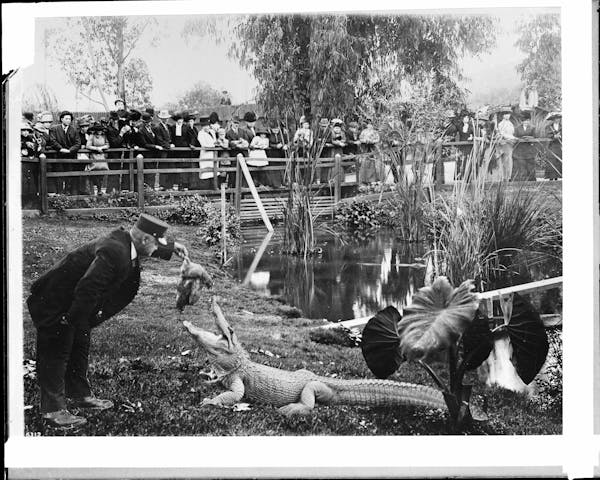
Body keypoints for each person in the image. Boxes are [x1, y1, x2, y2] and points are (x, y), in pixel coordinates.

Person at [26, 214, 190, 429]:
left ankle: (79, 395)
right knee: (56, 351)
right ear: (145, 240)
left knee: (79, 347)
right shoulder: (115, 251)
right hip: (54, 302)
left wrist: (171, 246)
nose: (156, 250)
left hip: (74, 304)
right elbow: (88, 288)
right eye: (156, 244)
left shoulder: (127, 241)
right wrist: (73, 321)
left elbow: (148, 244)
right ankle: (53, 410)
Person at [48, 111, 81, 194]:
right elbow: (52, 141)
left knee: (69, 175)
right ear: (62, 119)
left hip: (70, 156)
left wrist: (70, 150)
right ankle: (59, 193)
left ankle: (67, 192)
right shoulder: (54, 129)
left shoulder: (74, 130)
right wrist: (60, 149)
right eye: (66, 118)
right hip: (58, 156)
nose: (68, 121)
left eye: (69, 119)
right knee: (59, 175)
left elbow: (78, 143)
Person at [85, 122, 110, 195]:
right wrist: (96, 148)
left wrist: (102, 148)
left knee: (102, 171)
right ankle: (96, 188)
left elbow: (107, 144)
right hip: (94, 155)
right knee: (95, 171)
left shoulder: (104, 136)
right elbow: (88, 146)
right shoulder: (92, 136)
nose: (99, 131)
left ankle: (99, 189)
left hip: (102, 156)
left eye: (101, 130)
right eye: (98, 130)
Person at [197, 116, 219, 190]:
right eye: (204, 126)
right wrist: (214, 145)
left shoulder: (212, 132)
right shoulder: (200, 134)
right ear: (202, 126)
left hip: (213, 155)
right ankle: (205, 192)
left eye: (207, 125)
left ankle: (214, 190)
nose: (206, 127)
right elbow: (204, 145)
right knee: (206, 173)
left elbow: (215, 140)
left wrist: (216, 143)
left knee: (214, 172)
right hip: (205, 155)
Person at [495, 107, 516, 181]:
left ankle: (508, 177)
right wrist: (510, 138)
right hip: (504, 143)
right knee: (503, 160)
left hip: (509, 143)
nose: (508, 116)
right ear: (503, 115)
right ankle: (503, 177)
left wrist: (512, 138)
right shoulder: (501, 124)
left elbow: (512, 133)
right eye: (506, 114)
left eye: (508, 114)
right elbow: (502, 133)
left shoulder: (510, 123)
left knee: (509, 160)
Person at [154, 110, 173, 190]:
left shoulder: (168, 127)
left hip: (169, 151)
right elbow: (159, 140)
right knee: (163, 167)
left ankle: (169, 186)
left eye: (166, 118)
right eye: (163, 118)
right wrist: (169, 146)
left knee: (170, 167)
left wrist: (171, 144)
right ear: (160, 119)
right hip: (163, 151)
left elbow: (170, 138)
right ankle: (162, 185)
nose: (165, 120)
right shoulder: (158, 127)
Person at [359, 119, 381, 185]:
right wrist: (365, 140)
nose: (370, 126)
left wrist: (372, 141)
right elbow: (361, 138)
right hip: (366, 148)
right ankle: (365, 179)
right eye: (368, 124)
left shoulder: (375, 132)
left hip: (373, 148)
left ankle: (376, 179)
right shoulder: (363, 132)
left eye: (371, 124)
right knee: (365, 163)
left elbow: (378, 139)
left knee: (375, 163)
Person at [545, 112, 562, 180]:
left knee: (558, 161)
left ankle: (557, 177)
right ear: (553, 119)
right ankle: (551, 178)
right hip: (551, 146)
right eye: (556, 118)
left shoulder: (562, 126)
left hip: (559, 146)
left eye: (559, 118)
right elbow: (546, 135)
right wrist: (554, 136)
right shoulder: (549, 127)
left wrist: (560, 136)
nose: (558, 120)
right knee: (552, 161)